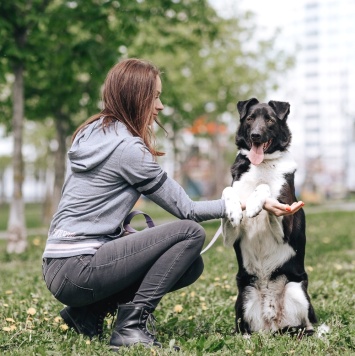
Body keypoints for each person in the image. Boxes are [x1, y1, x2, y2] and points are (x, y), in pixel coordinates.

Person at [42, 58, 303, 351]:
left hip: (57, 265)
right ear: (137, 98)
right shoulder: (128, 149)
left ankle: (87, 315)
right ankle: (130, 328)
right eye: (155, 96)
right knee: (189, 234)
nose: (160, 106)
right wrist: (245, 202)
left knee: (190, 264)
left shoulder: (93, 133)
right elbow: (187, 210)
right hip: (80, 268)